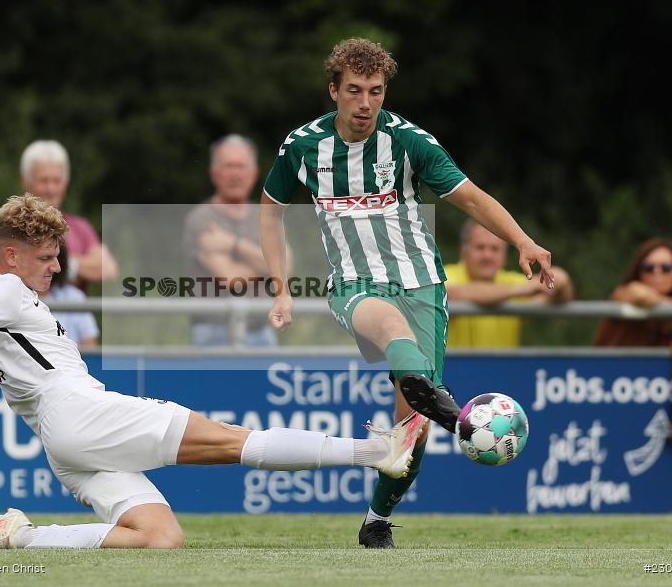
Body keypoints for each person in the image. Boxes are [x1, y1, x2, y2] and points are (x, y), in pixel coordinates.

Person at [0, 194, 428, 550]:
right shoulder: (2, 289)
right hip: (78, 413)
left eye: (57, 255)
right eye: (45, 257)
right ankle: (375, 452)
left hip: (62, 442)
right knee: (233, 441)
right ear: (11, 255)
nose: (57, 266)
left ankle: (20, 536)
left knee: (160, 537)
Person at [260, 38, 555, 548]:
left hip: (422, 285)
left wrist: (523, 241)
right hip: (355, 283)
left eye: (375, 91)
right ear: (333, 91)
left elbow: (470, 198)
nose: (365, 103)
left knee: (410, 432)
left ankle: (377, 520)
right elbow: (270, 212)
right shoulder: (303, 146)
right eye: (354, 90)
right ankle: (444, 405)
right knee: (392, 330)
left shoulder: (408, 141)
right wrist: (280, 288)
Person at [183, 135, 287, 347]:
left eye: (241, 166)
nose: (235, 174)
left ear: (254, 173)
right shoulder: (201, 218)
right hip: (212, 333)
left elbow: (287, 265)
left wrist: (232, 244)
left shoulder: (266, 216)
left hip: (262, 331)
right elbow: (232, 279)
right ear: (214, 174)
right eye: (228, 166)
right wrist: (267, 265)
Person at [445, 220, 574, 347]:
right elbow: (452, 293)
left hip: (502, 362)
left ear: (504, 255)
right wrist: (525, 288)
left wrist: (559, 279)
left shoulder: (511, 282)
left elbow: (560, 290)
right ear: (463, 251)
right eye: (480, 247)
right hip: (454, 362)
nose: (487, 255)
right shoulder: (444, 275)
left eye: (495, 249)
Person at [20, 140, 119, 292]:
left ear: (65, 183)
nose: (51, 189)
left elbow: (108, 269)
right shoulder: (12, 224)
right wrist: (80, 267)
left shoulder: (80, 228)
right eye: (44, 181)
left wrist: (67, 266)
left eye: (56, 181)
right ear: (25, 182)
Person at [594, 237, 672, 346]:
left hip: (653, 365)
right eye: (649, 268)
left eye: (666, 268)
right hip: (611, 365)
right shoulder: (623, 292)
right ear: (638, 271)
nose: (657, 273)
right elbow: (639, 295)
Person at [41, 247, 100, 348]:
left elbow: (90, 347)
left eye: (55, 258)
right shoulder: (16, 296)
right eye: (44, 258)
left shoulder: (74, 297)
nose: (55, 267)